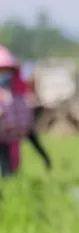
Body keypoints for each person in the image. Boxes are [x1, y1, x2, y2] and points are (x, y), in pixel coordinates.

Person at [0, 46, 34, 176]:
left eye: (7, 71)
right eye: (2, 71)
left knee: (12, 165)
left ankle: (12, 185)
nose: (5, 74)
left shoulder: (17, 94)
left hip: (12, 137)